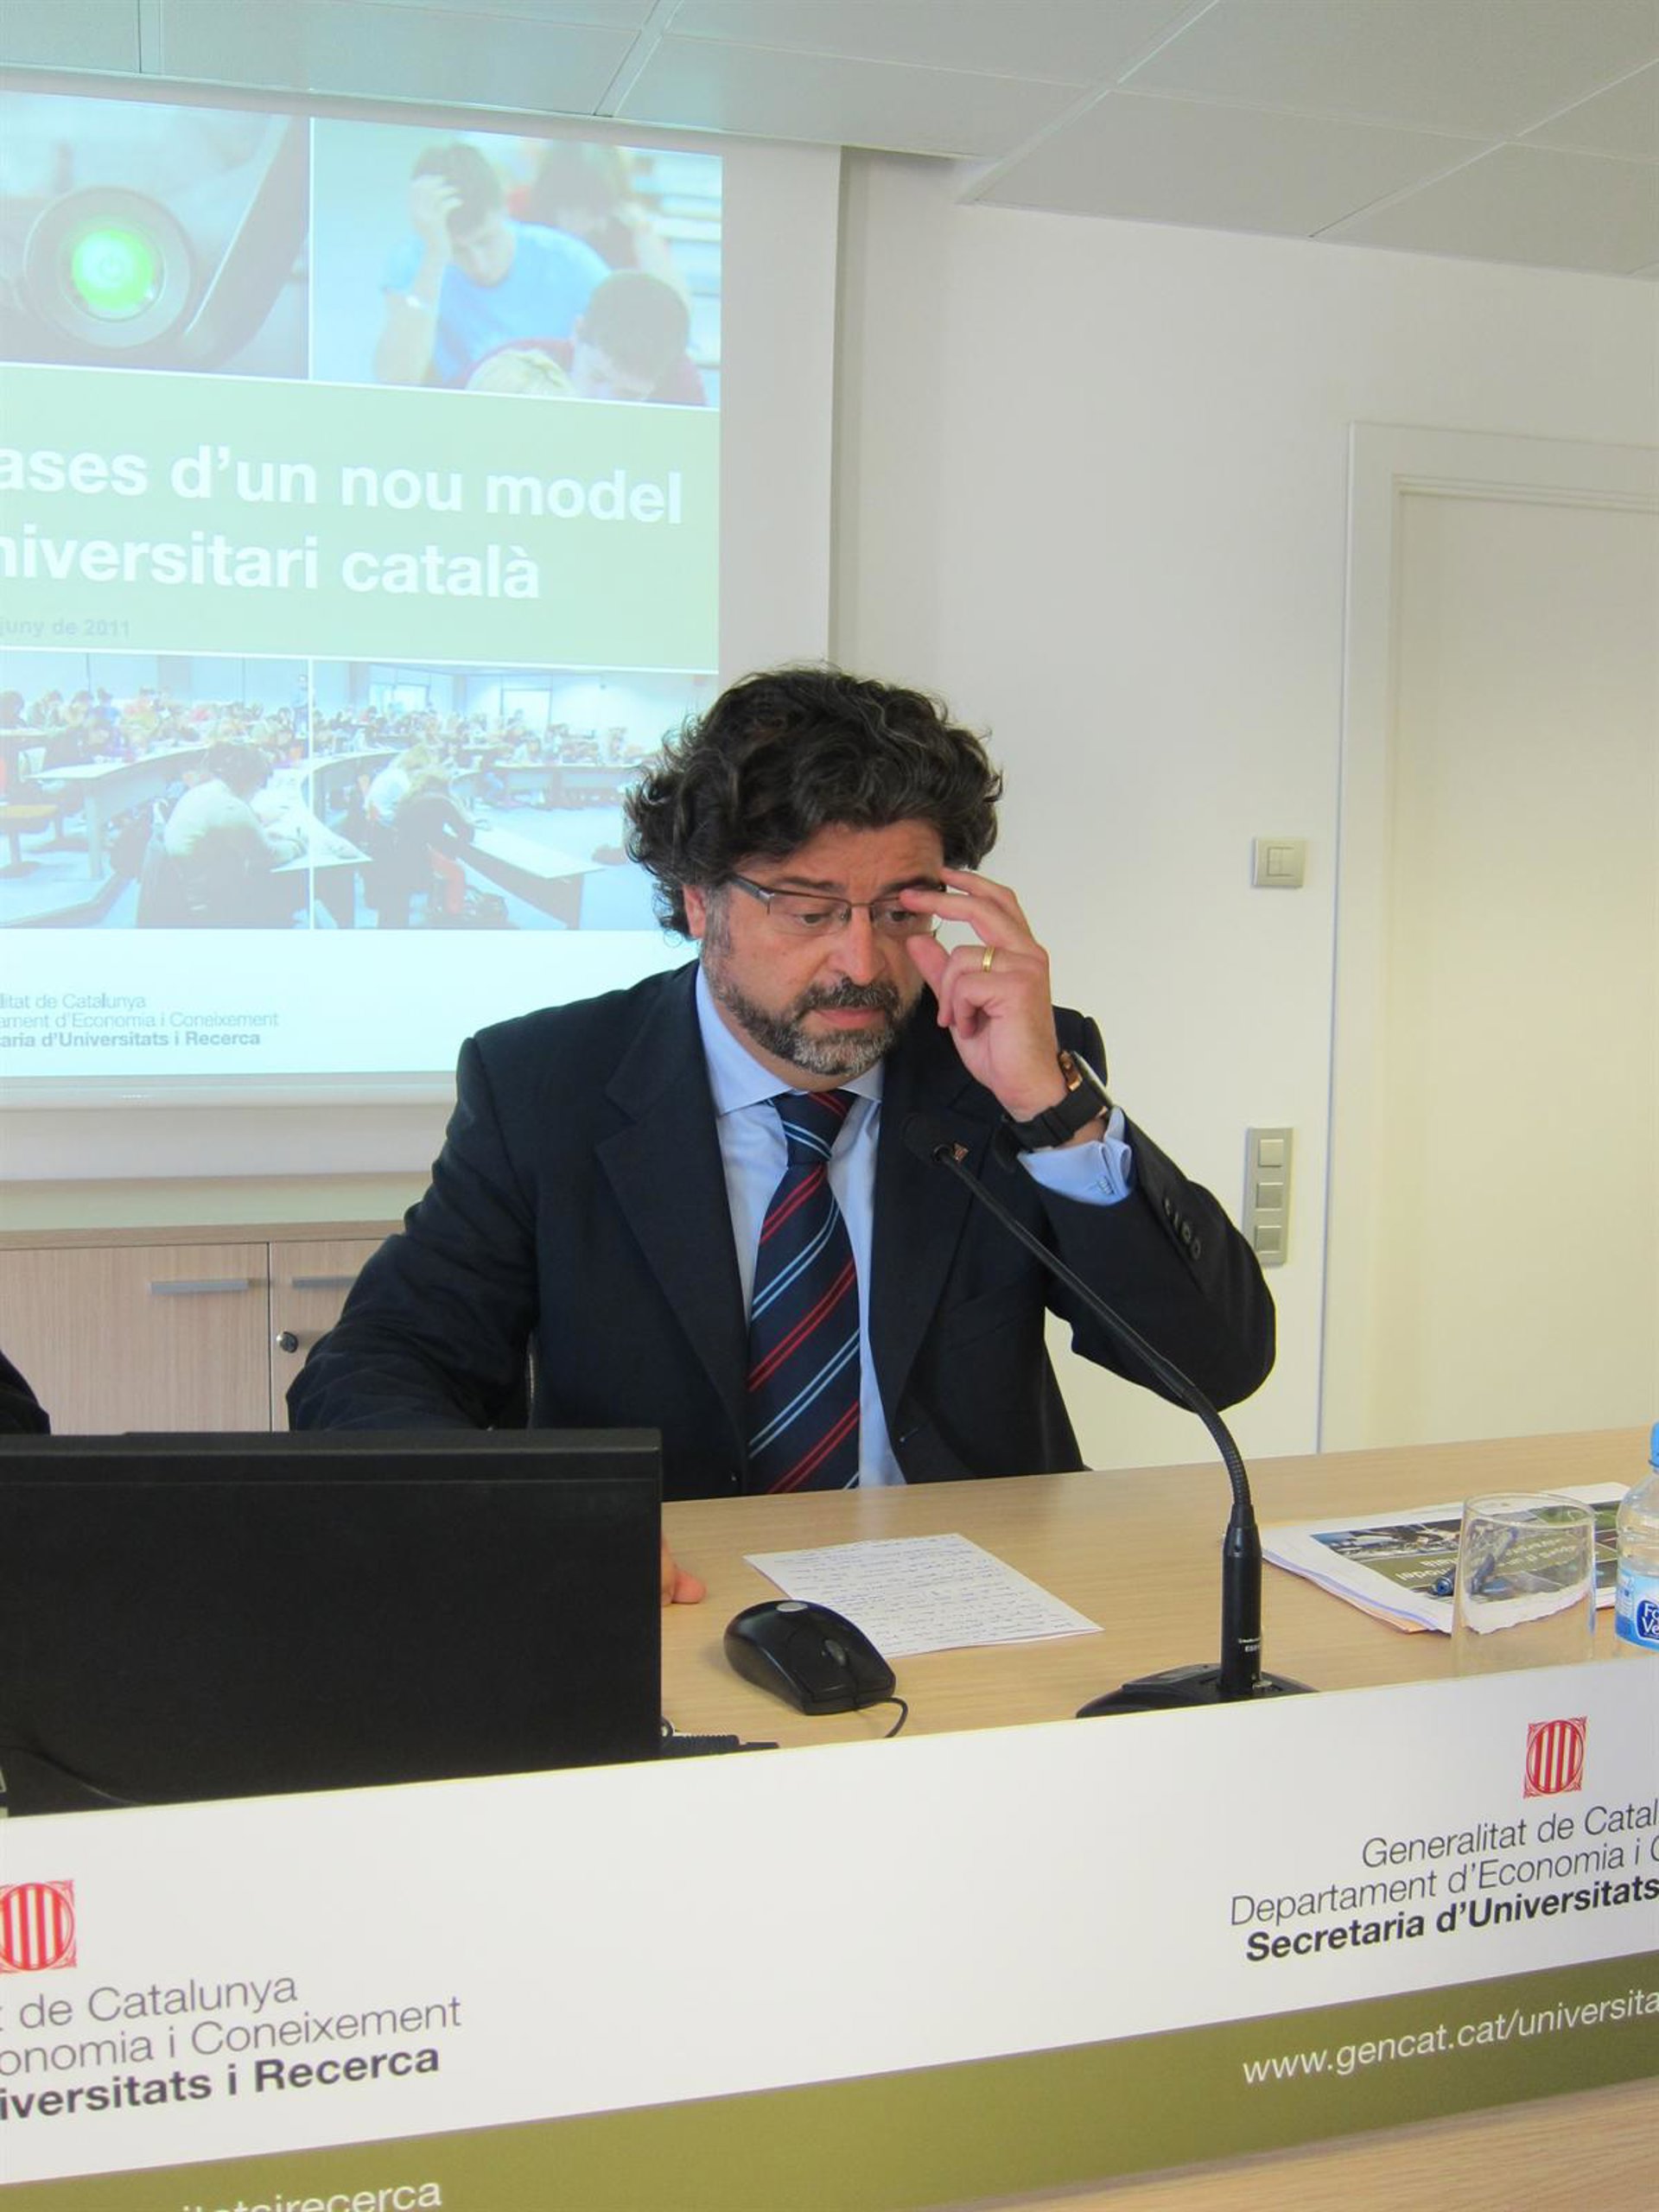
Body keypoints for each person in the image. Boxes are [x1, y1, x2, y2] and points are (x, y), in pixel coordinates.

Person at [290, 668, 1274, 1604]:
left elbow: (1218, 1363)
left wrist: (1051, 1110)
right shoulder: (548, 1085)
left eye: (902, 912)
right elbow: (378, 1364)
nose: (862, 963)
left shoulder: (1001, 1070)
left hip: (980, 1595)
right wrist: (515, 1515)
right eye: (809, 912)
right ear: (697, 899)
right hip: (675, 1595)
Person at [374, 140, 607, 390]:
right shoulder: (417, 261)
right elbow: (396, 380)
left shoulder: (571, 261)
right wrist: (435, 257)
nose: (479, 265)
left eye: (486, 241)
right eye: (458, 251)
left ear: (505, 208)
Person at [156, 742, 303, 926]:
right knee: (301, 883)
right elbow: (268, 856)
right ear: (251, 779)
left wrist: (263, 835)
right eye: (259, 784)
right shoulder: (230, 807)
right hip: (215, 905)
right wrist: (297, 844)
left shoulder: (203, 792)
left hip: (193, 889)